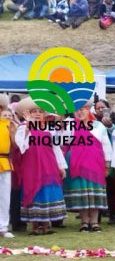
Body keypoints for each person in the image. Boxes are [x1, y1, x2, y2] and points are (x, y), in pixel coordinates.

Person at [13, 97, 68, 235]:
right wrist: (27, 127)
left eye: (40, 111)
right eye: (34, 111)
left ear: (44, 114)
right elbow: (21, 145)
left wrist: (61, 166)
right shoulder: (23, 128)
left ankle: (46, 224)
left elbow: (56, 148)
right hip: (31, 165)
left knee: (47, 191)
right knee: (34, 191)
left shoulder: (49, 129)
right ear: (28, 114)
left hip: (49, 164)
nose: (37, 114)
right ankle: (35, 226)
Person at [63, 105, 112, 232]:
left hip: (95, 162)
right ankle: (84, 221)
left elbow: (106, 144)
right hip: (77, 163)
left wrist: (107, 163)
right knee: (82, 191)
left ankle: (95, 221)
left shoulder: (98, 125)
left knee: (94, 190)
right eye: (77, 110)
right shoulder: (70, 125)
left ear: (88, 110)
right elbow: (65, 140)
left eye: (82, 109)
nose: (80, 112)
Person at [0, 95, 13, 238]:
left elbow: (16, 143)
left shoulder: (8, 123)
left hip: (4, 161)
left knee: (4, 196)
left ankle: (3, 227)